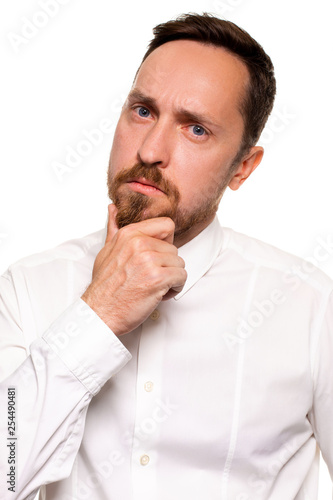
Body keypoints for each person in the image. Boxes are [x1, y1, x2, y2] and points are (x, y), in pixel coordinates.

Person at [0, 11, 332, 500]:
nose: (151, 149)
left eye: (195, 129)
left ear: (243, 166)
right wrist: (98, 314)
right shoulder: (28, 289)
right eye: (143, 111)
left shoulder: (310, 305)